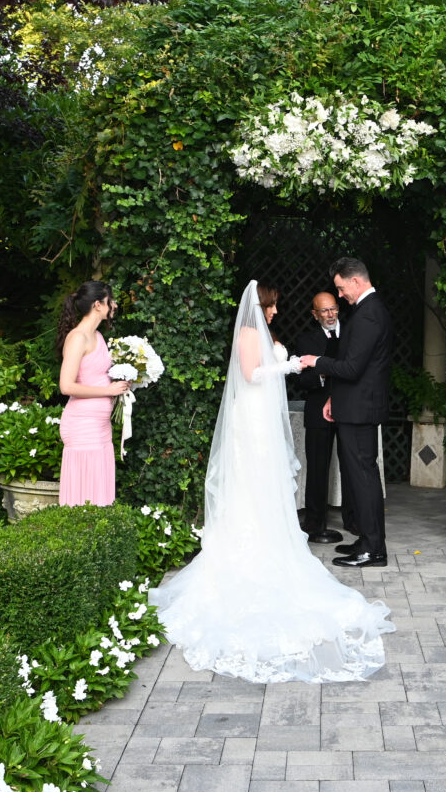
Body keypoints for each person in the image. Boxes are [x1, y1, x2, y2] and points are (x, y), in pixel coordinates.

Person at [148, 280, 394, 682]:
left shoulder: (264, 331)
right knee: (252, 480)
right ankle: (249, 545)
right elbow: (251, 373)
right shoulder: (248, 332)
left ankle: (269, 537)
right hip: (251, 418)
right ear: (261, 304)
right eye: (274, 305)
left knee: (269, 481)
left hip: (261, 416)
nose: (277, 311)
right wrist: (291, 364)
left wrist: (292, 362)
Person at [299, 257, 393, 569]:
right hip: (353, 406)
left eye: (340, 289)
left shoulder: (369, 314)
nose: (340, 296)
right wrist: (332, 399)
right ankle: (367, 541)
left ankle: (373, 549)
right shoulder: (367, 310)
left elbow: (352, 368)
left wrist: (316, 361)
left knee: (363, 479)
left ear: (355, 281)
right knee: (359, 478)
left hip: (360, 410)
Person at [57, 281, 130, 507]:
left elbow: (96, 375)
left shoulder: (97, 336)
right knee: (84, 497)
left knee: (100, 493)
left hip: (100, 427)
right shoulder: (77, 337)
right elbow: (66, 386)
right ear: (98, 305)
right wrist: (107, 390)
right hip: (82, 426)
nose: (114, 305)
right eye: (110, 301)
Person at [293, 292, 355, 543]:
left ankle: (355, 520)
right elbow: (299, 381)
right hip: (318, 410)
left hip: (350, 408)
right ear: (314, 314)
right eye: (324, 311)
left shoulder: (353, 333)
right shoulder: (305, 340)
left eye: (333, 309)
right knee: (317, 468)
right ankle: (315, 522)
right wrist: (321, 374)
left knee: (352, 467)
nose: (330, 315)